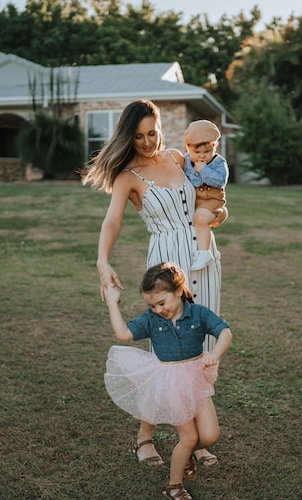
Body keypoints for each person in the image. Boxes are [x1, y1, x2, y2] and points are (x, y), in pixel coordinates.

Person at [82, 99, 225, 469]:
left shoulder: (179, 158)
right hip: (166, 264)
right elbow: (111, 221)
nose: (147, 141)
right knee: (165, 353)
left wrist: (219, 213)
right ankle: (144, 437)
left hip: (203, 261)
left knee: (200, 343)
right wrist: (102, 260)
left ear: (161, 126)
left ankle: (192, 438)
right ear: (128, 137)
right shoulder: (127, 176)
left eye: (152, 132)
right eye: (139, 136)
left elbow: (208, 196)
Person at [103, 263, 232, 500]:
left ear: (179, 291)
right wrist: (112, 302)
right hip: (170, 382)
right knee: (189, 437)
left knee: (210, 435)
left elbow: (225, 332)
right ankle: (174, 486)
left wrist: (215, 354)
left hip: (196, 378)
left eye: (162, 303)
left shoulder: (199, 313)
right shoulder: (152, 320)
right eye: (152, 305)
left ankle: (184, 455)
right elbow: (123, 334)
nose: (158, 309)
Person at [182, 120, 229, 271]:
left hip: (212, 199)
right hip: (195, 200)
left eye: (207, 152)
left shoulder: (219, 163)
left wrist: (203, 169)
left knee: (200, 219)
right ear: (188, 148)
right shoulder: (186, 161)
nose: (202, 156)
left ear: (215, 147)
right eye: (197, 152)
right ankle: (201, 249)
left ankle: (205, 253)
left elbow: (219, 181)